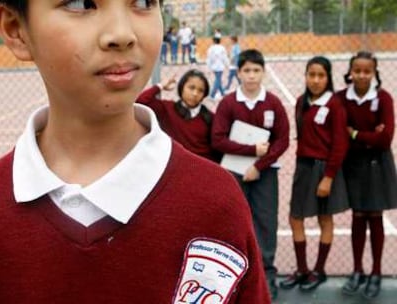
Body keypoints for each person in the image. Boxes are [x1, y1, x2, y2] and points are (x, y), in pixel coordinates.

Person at [0, 1, 271, 303]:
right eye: (81, 4)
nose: (121, 34)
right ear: (16, 29)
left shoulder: (216, 201)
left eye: (144, 2)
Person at [212, 49, 290, 301]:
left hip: (265, 173)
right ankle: (237, 271)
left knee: (266, 220)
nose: (252, 76)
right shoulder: (228, 103)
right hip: (234, 172)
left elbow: (283, 140)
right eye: (246, 70)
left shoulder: (273, 103)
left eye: (256, 70)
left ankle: (267, 272)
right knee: (235, 220)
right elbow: (218, 140)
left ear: (263, 72)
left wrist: (260, 164)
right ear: (238, 73)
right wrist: (250, 150)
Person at [279, 56, 349, 292]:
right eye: (311, 75)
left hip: (325, 168)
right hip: (304, 167)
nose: (316, 80)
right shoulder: (301, 102)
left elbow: (340, 144)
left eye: (321, 75)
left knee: (324, 218)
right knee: (295, 217)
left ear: (328, 78)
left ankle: (319, 270)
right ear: (306, 76)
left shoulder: (335, 104)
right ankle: (302, 269)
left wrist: (328, 177)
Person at [337, 51, 397, 299]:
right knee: (358, 216)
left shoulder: (383, 98)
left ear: (374, 72)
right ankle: (358, 269)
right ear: (351, 72)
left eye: (367, 71)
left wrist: (355, 135)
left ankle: (376, 272)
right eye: (357, 70)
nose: (361, 75)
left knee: (375, 215)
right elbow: (340, 131)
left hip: (377, 163)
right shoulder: (341, 98)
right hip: (354, 164)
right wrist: (369, 134)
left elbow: (385, 139)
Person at [137, 69, 221, 162]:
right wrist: (160, 86)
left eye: (201, 91)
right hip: (175, 163)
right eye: (191, 88)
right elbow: (140, 101)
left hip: (202, 164)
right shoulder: (167, 109)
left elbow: (216, 148)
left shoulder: (209, 117)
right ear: (182, 87)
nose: (195, 93)